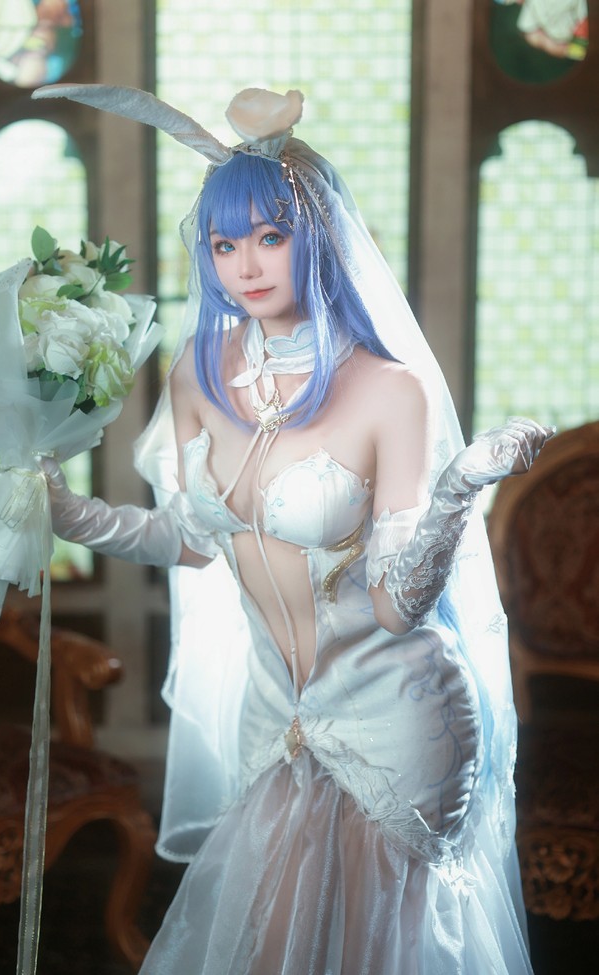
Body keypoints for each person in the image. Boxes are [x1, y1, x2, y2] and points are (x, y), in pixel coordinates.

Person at [34, 84, 551, 973]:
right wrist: (68, 513)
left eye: (271, 236)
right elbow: (192, 540)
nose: (246, 264)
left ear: (319, 236)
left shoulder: (391, 388)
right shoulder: (200, 374)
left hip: (399, 717)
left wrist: (459, 487)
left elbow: (396, 608)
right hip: (277, 718)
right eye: (225, 243)